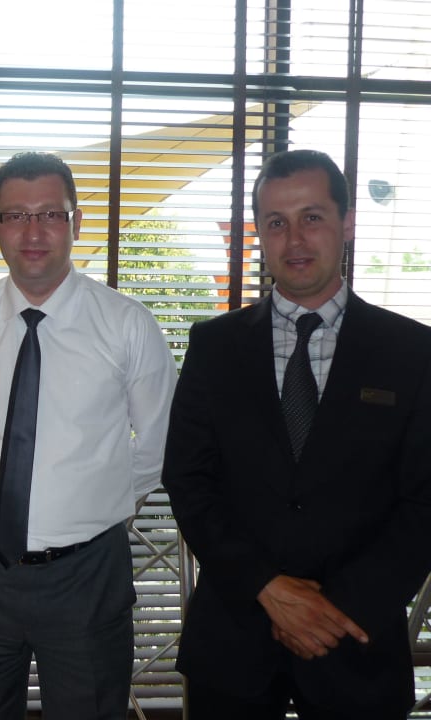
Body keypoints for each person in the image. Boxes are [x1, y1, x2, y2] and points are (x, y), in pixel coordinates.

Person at [162, 148, 431, 719]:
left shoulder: (413, 353)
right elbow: (188, 480)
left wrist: (329, 611)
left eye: (312, 217)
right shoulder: (214, 346)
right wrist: (268, 588)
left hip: (356, 641)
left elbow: (425, 500)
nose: (295, 240)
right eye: (276, 223)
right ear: (260, 233)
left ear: (347, 222)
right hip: (234, 639)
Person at [0, 152, 177, 719]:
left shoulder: (128, 325)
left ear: (76, 222)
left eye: (50, 215)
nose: (33, 232)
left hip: (87, 577)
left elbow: (159, 445)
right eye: (15, 216)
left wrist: (92, 505)